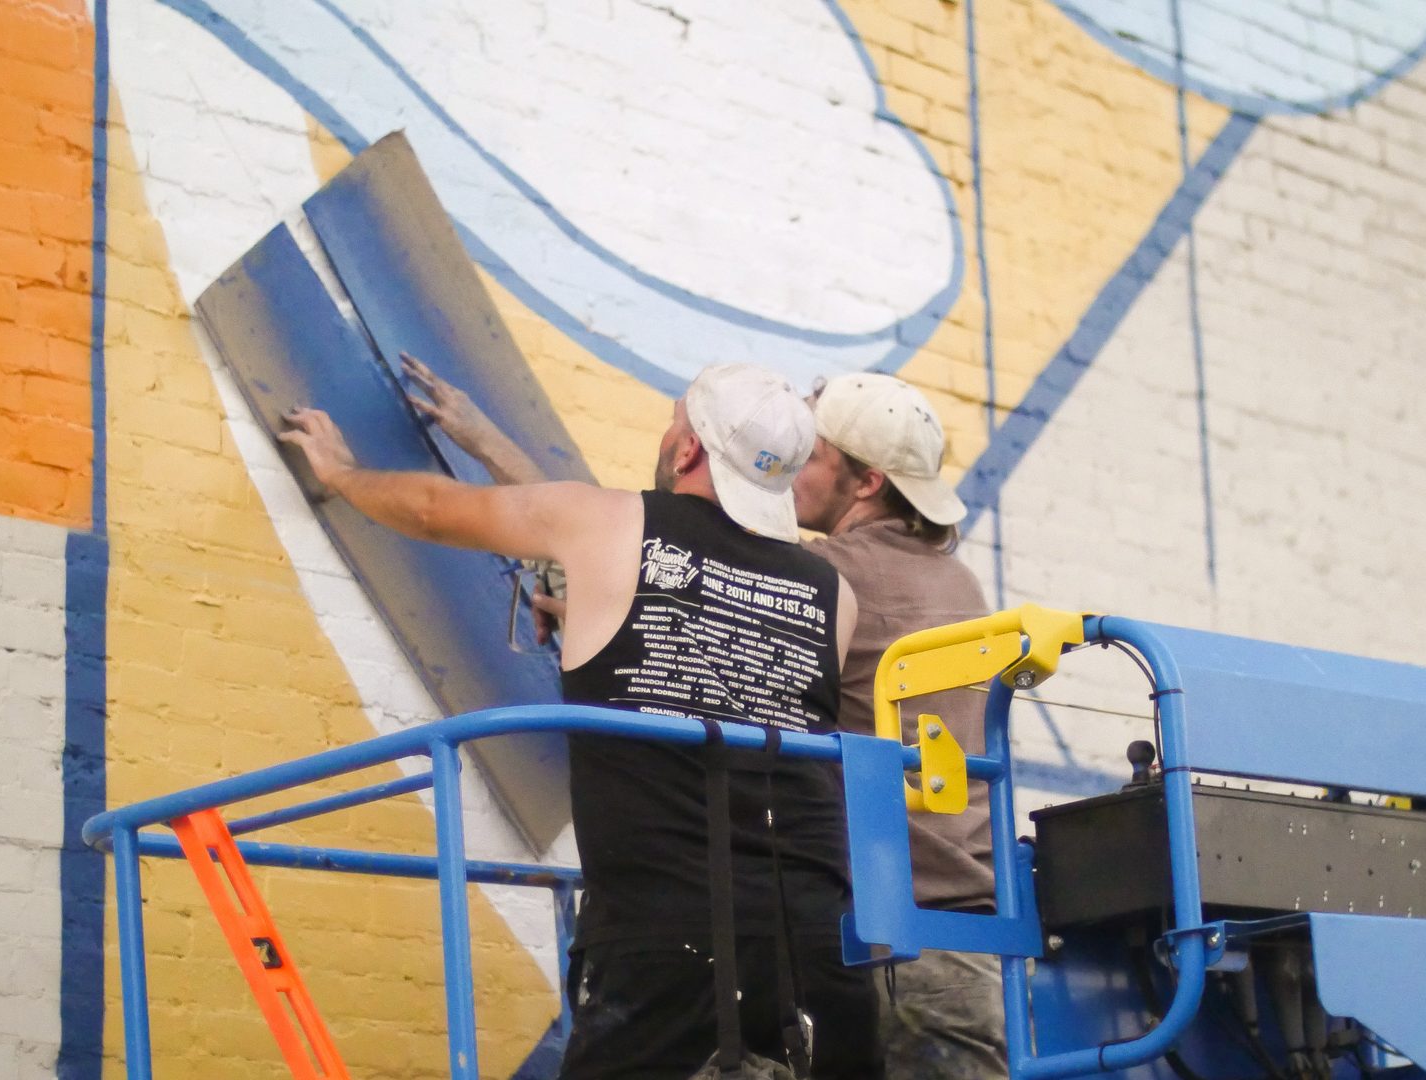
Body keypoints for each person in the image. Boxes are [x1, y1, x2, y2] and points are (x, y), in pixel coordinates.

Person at [281, 361, 883, 1079]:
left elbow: (433, 509)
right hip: (821, 947)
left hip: (670, 940)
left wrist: (343, 471)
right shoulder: (833, 592)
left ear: (687, 449)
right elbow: (731, 668)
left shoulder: (610, 523)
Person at [791, 373, 1007, 1080]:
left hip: (883, 934)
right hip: (966, 931)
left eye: (813, 451)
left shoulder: (829, 574)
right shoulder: (959, 583)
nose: (796, 463)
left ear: (866, 481)